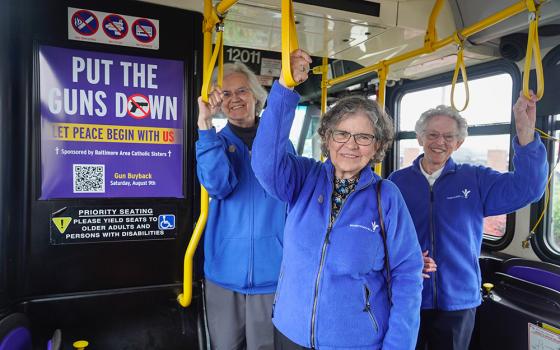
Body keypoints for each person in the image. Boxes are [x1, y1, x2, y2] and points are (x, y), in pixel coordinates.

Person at [251, 49, 424, 350]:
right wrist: (284, 87)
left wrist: (399, 345)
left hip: (356, 341)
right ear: (327, 138)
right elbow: (265, 162)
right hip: (290, 333)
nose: (350, 145)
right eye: (341, 134)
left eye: (363, 137)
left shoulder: (387, 197)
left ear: (378, 145)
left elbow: (407, 276)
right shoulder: (303, 178)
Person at [388, 92, 548, 350]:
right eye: (432, 135)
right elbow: (384, 235)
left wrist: (525, 130)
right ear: (420, 138)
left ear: (459, 143)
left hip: (458, 299)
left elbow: (529, 188)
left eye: (449, 136)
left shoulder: (475, 179)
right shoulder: (397, 182)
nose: (439, 142)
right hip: (407, 294)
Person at [196, 61, 294, 350]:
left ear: (256, 95)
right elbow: (218, 186)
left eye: (242, 90)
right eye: (225, 94)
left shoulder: (280, 145)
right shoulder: (211, 143)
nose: (235, 98)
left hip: (271, 274)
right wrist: (205, 126)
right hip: (224, 274)